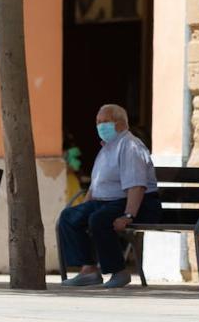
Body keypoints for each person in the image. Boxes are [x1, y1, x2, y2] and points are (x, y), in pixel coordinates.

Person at [57, 104, 161, 288]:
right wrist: (83, 209)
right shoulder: (106, 148)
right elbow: (96, 186)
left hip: (135, 203)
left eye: (105, 122)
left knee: (99, 219)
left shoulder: (130, 146)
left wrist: (128, 215)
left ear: (120, 124)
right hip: (108, 202)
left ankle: (119, 271)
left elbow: (137, 185)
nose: (100, 126)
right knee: (69, 216)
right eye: (98, 122)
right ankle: (88, 270)